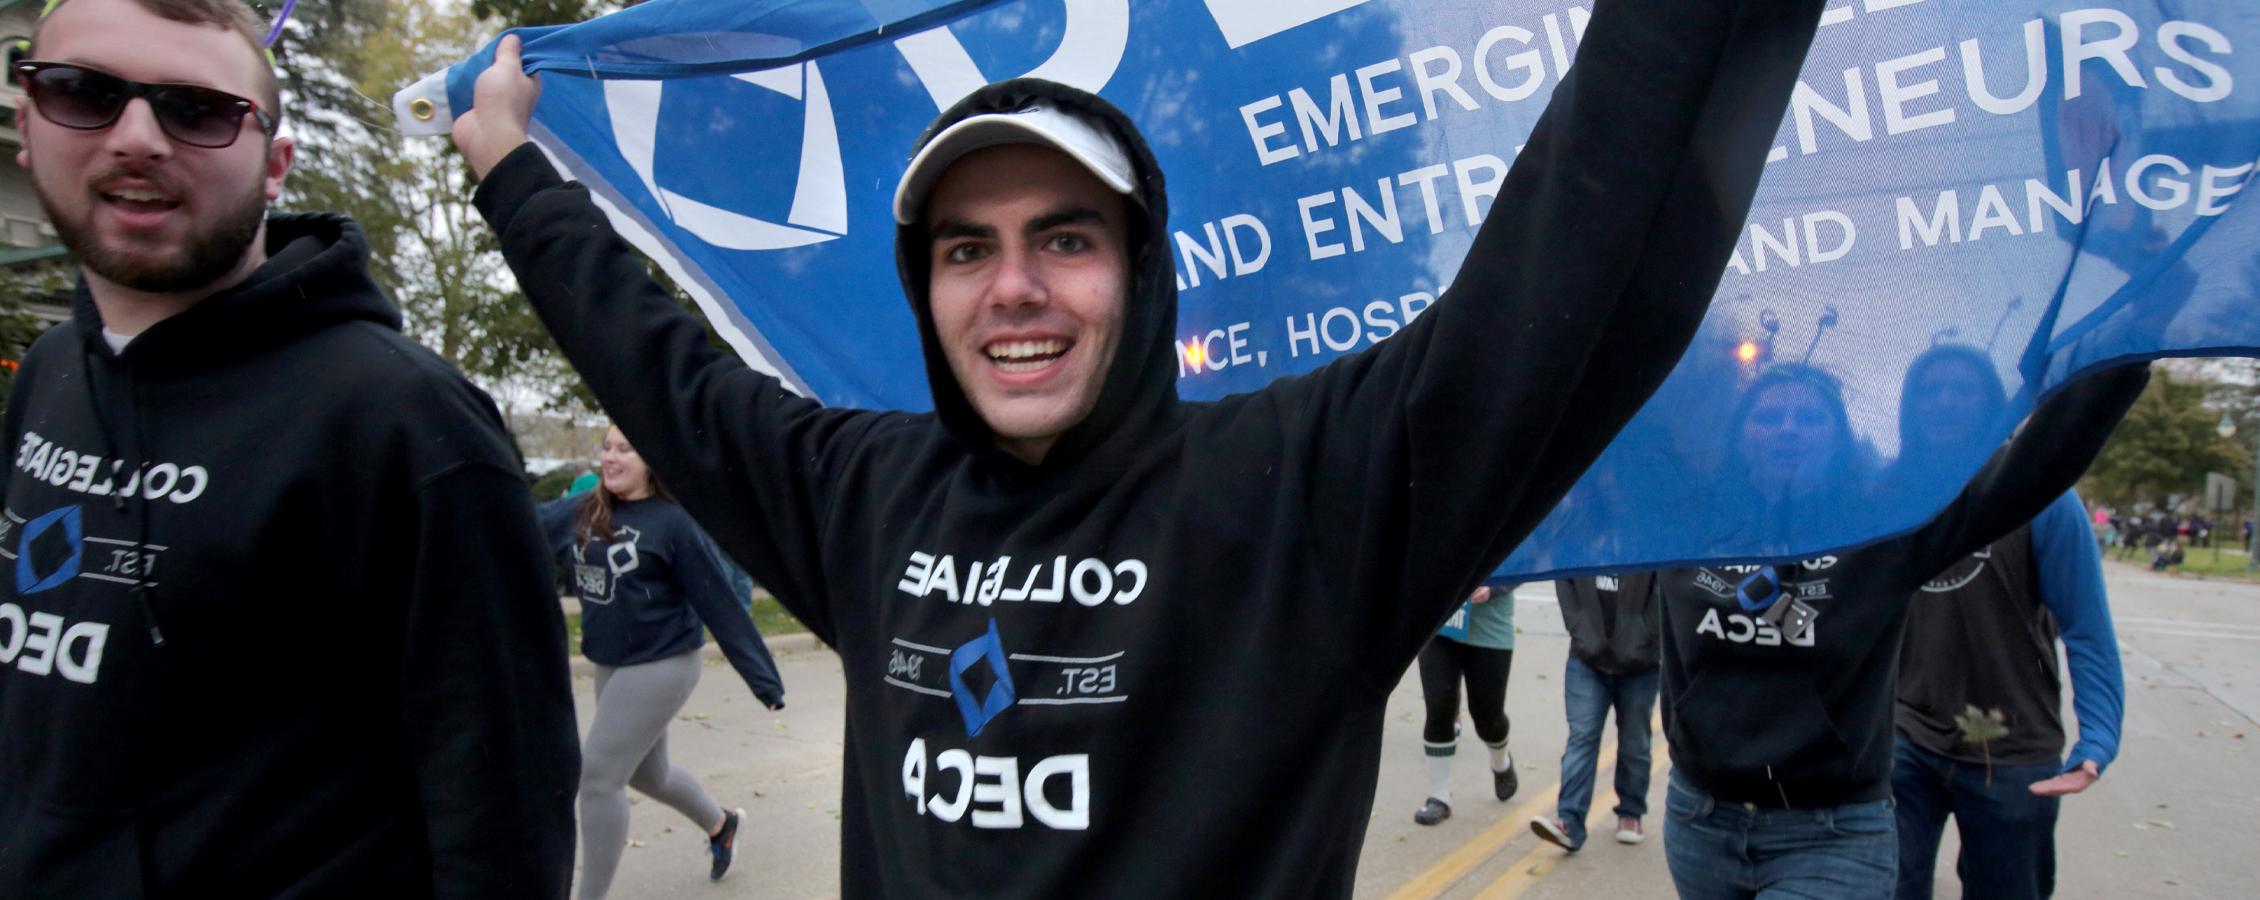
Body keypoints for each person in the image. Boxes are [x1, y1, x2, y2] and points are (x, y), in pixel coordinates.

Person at [453, 1, 1826, 892]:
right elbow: (667, 368)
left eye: (1067, 238)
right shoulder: (863, 494)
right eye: (965, 250)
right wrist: (515, 172)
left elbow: (1573, 269)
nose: (1015, 289)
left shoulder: (1307, 488)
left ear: (1143, 272)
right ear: (925, 290)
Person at [0, 0, 578, 896]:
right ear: (28, 125)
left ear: (274, 166)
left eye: (197, 111)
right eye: (85, 93)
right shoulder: (45, 372)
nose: (138, 137)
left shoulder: (405, 422)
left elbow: (504, 809)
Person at [1655, 359, 2144, 900]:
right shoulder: (1681, 522)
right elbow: (1625, 426)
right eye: (1768, 417)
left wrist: (2125, 352)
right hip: (1700, 819)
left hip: (1830, 830)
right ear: (1740, 435)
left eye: (1809, 418)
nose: (1788, 428)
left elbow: (2036, 470)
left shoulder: (1885, 525)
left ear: (1840, 440)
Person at [1889, 344, 2125, 900]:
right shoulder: (1888, 498)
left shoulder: (2044, 501)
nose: (1945, 402)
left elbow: (2086, 629)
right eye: (1930, 389)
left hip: (2013, 749)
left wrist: (2099, 737)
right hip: (1903, 739)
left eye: (1962, 389)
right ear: (1908, 406)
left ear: (1993, 404)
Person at [538, 426, 786, 899]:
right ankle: (722, 825)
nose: (611, 459)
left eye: (625, 449)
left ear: (651, 459)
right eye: (607, 448)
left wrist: (764, 680)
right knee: (648, 774)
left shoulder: (673, 523)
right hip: (611, 660)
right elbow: (519, 525)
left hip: (664, 662)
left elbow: (720, 603)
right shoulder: (586, 508)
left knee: (597, 778)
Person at [1532, 572, 1662, 851]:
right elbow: (1565, 576)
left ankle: (1630, 812)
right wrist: (1579, 627)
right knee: (1582, 737)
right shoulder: (1584, 533)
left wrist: (1647, 633)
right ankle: (1569, 820)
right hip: (1587, 657)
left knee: (1634, 741)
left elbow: (1664, 583)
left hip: (1641, 662)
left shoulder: (1650, 530)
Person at [1412, 583, 1520, 826]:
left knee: (1487, 717)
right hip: (1441, 620)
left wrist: (1495, 588)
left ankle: (1500, 762)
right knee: (1439, 705)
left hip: (1490, 625)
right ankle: (1439, 796)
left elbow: (1528, 557)